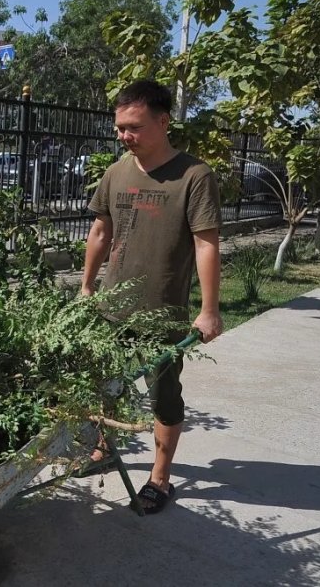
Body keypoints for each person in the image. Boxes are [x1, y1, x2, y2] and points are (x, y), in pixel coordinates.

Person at [80, 79, 224, 514]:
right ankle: (105, 447)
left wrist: (210, 310)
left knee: (163, 395)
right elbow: (101, 232)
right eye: (120, 127)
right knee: (103, 381)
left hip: (162, 315)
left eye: (133, 127)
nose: (124, 135)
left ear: (163, 122)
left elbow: (206, 243)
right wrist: (87, 286)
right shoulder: (117, 171)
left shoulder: (194, 176)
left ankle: (160, 477)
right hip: (109, 306)